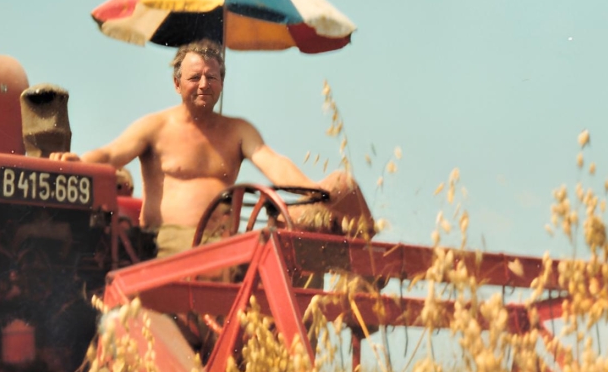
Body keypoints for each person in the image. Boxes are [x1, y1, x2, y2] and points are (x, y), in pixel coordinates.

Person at [51, 40, 374, 257]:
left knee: (338, 188)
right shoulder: (155, 127)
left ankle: (369, 275)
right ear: (177, 84)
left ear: (222, 82)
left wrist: (315, 195)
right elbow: (111, 155)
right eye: (195, 77)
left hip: (226, 243)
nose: (204, 83)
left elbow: (273, 162)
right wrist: (79, 160)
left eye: (212, 76)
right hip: (169, 242)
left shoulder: (238, 130)